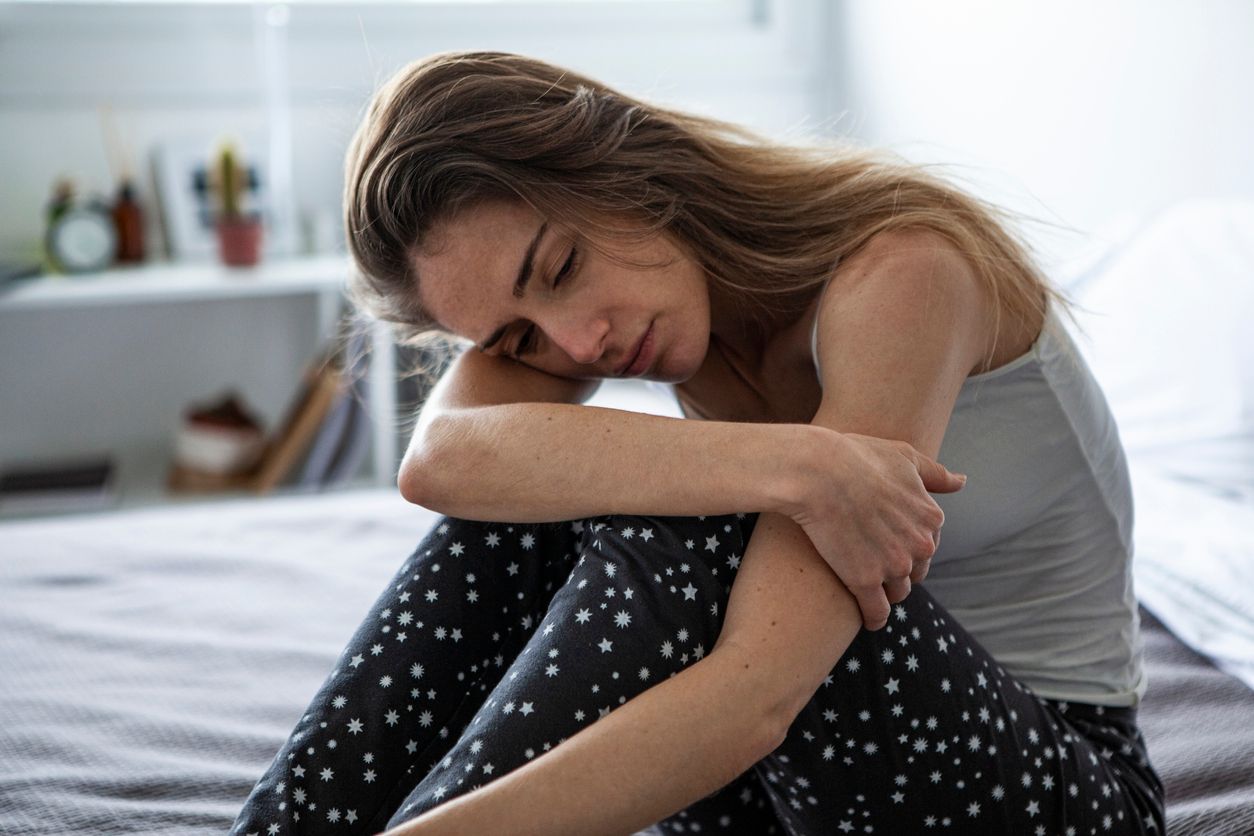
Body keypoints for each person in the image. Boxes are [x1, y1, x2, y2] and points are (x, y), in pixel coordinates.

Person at [232, 51, 1164, 835]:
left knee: (701, 526)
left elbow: (755, 698)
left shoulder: (903, 271)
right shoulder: (634, 324)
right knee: (527, 511)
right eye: (517, 340)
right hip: (795, 784)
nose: (577, 346)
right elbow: (442, 461)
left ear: (623, 166)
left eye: (561, 267)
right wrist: (802, 463)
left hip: (1049, 784)